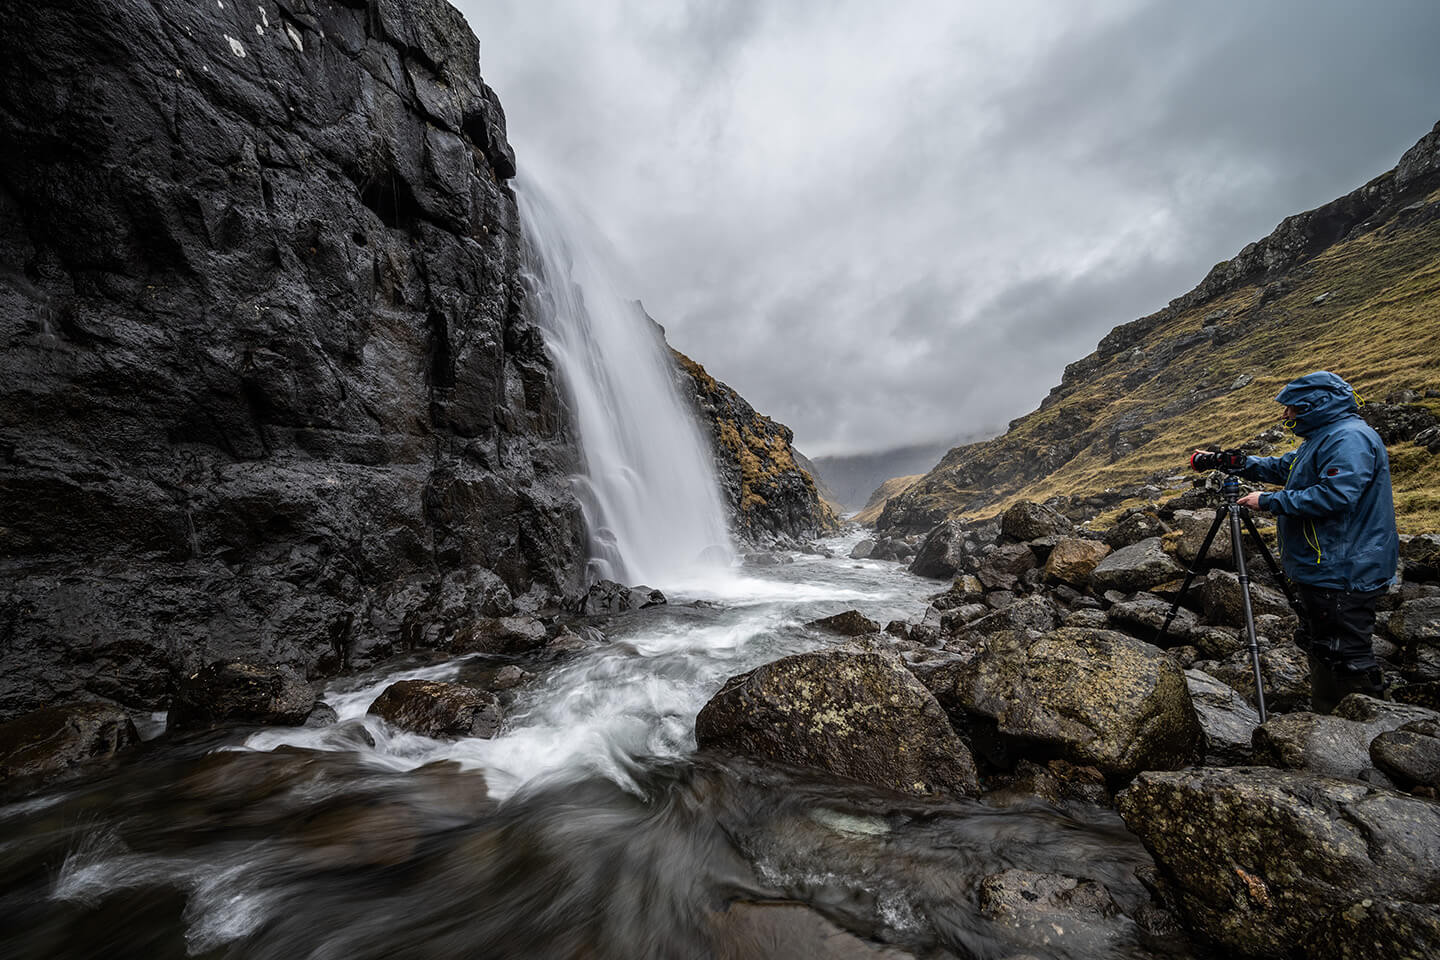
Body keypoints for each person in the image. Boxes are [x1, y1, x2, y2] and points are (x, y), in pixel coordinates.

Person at [1192, 370, 1399, 713]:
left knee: (1343, 651)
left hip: (1342, 566)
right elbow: (1285, 468)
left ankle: (1363, 724)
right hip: (1328, 562)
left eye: (1290, 408)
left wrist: (1270, 502)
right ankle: (1329, 714)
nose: (1284, 415)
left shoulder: (1348, 438)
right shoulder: (1326, 437)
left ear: (1314, 405)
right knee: (1324, 642)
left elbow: (1337, 495)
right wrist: (1237, 463)